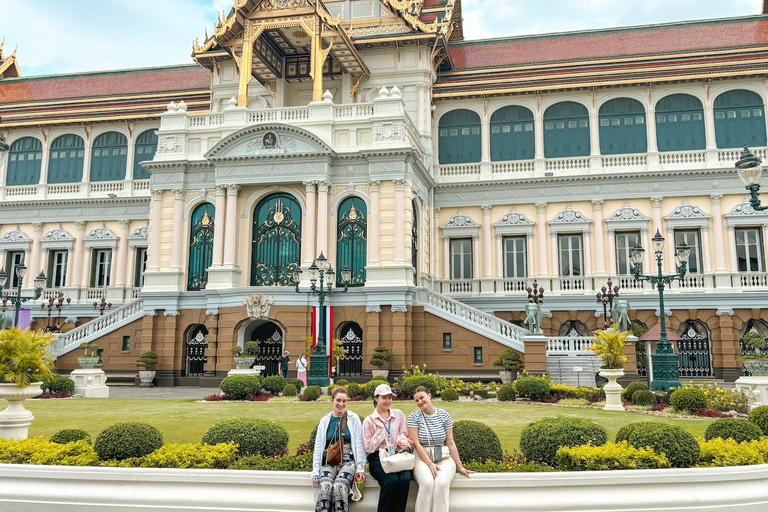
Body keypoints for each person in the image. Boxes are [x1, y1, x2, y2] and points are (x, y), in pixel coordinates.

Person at [408, 386, 473, 512]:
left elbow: (450, 442)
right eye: (416, 400)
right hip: (422, 457)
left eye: (422, 398)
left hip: (442, 455)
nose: (420, 402)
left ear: (429, 396)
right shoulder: (414, 417)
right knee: (427, 483)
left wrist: (460, 466)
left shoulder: (444, 415)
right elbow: (416, 443)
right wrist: (430, 463)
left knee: (441, 483)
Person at [312, 387, 366, 512]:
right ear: (332, 401)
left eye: (344, 401)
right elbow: (319, 446)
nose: (341, 404)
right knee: (325, 486)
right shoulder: (325, 421)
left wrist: (360, 467)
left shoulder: (353, 419)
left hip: (348, 462)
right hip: (330, 462)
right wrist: (315, 471)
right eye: (338, 400)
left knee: (339, 486)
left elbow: (359, 444)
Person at [363, 384, 412, 512]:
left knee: (405, 479)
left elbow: (404, 433)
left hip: (398, 455)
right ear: (376, 399)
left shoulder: (398, 415)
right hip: (378, 458)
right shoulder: (369, 420)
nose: (387, 401)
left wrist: (402, 440)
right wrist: (379, 432)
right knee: (391, 481)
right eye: (384, 397)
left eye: (390, 397)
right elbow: (368, 448)